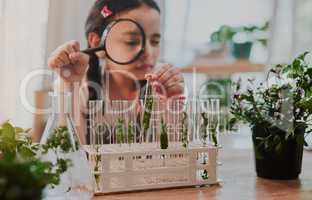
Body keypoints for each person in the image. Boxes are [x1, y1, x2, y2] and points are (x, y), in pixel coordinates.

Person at [47, 0, 185, 144]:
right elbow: (70, 157)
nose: (148, 53)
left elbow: (177, 158)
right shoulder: (80, 86)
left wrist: (172, 105)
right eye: (131, 41)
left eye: (155, 42)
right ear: (97, 43)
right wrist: (69, 84)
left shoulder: (162, 86)